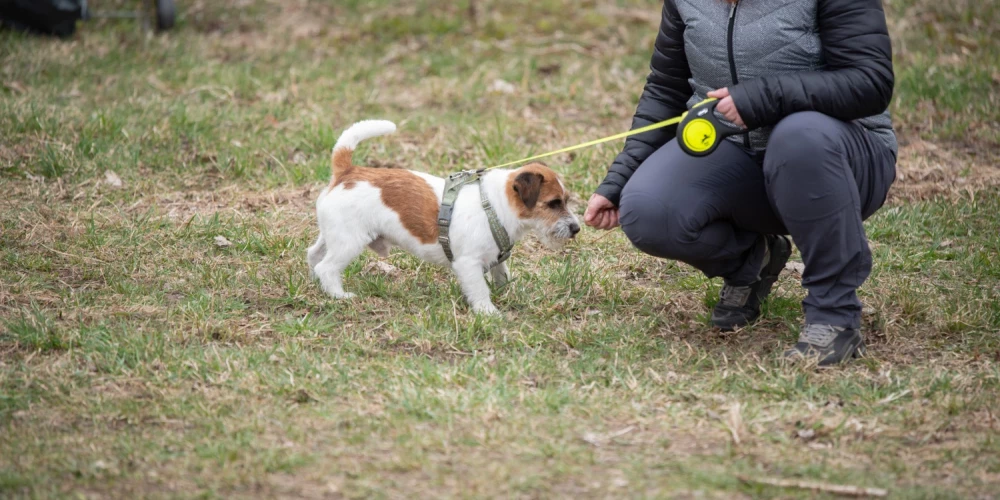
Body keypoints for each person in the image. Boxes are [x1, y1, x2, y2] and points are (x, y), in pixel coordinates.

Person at [584, 0, 896, 365]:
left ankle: (834, 317)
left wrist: (763, 98)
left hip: (839, 160)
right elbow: (665, 89)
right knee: (649, 210)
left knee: (798, 137)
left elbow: (870, 82)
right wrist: (618, 181)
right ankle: (753, 261)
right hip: (739, 161)